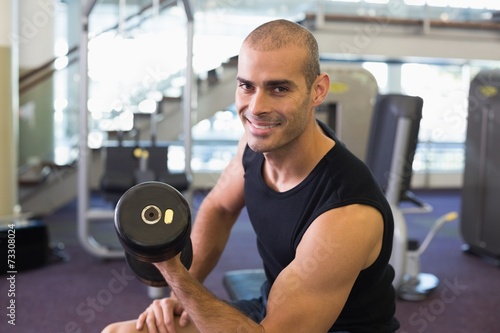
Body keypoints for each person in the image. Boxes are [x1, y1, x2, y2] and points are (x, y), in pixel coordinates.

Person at [102, 19, 400, 333]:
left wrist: (173, 271)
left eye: (279, 88)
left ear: (318, 90)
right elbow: (219, 208)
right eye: (247, 86)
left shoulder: (346, 214)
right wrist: (185, 290)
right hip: (271, 307)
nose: (256, 108)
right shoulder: (255, 146)